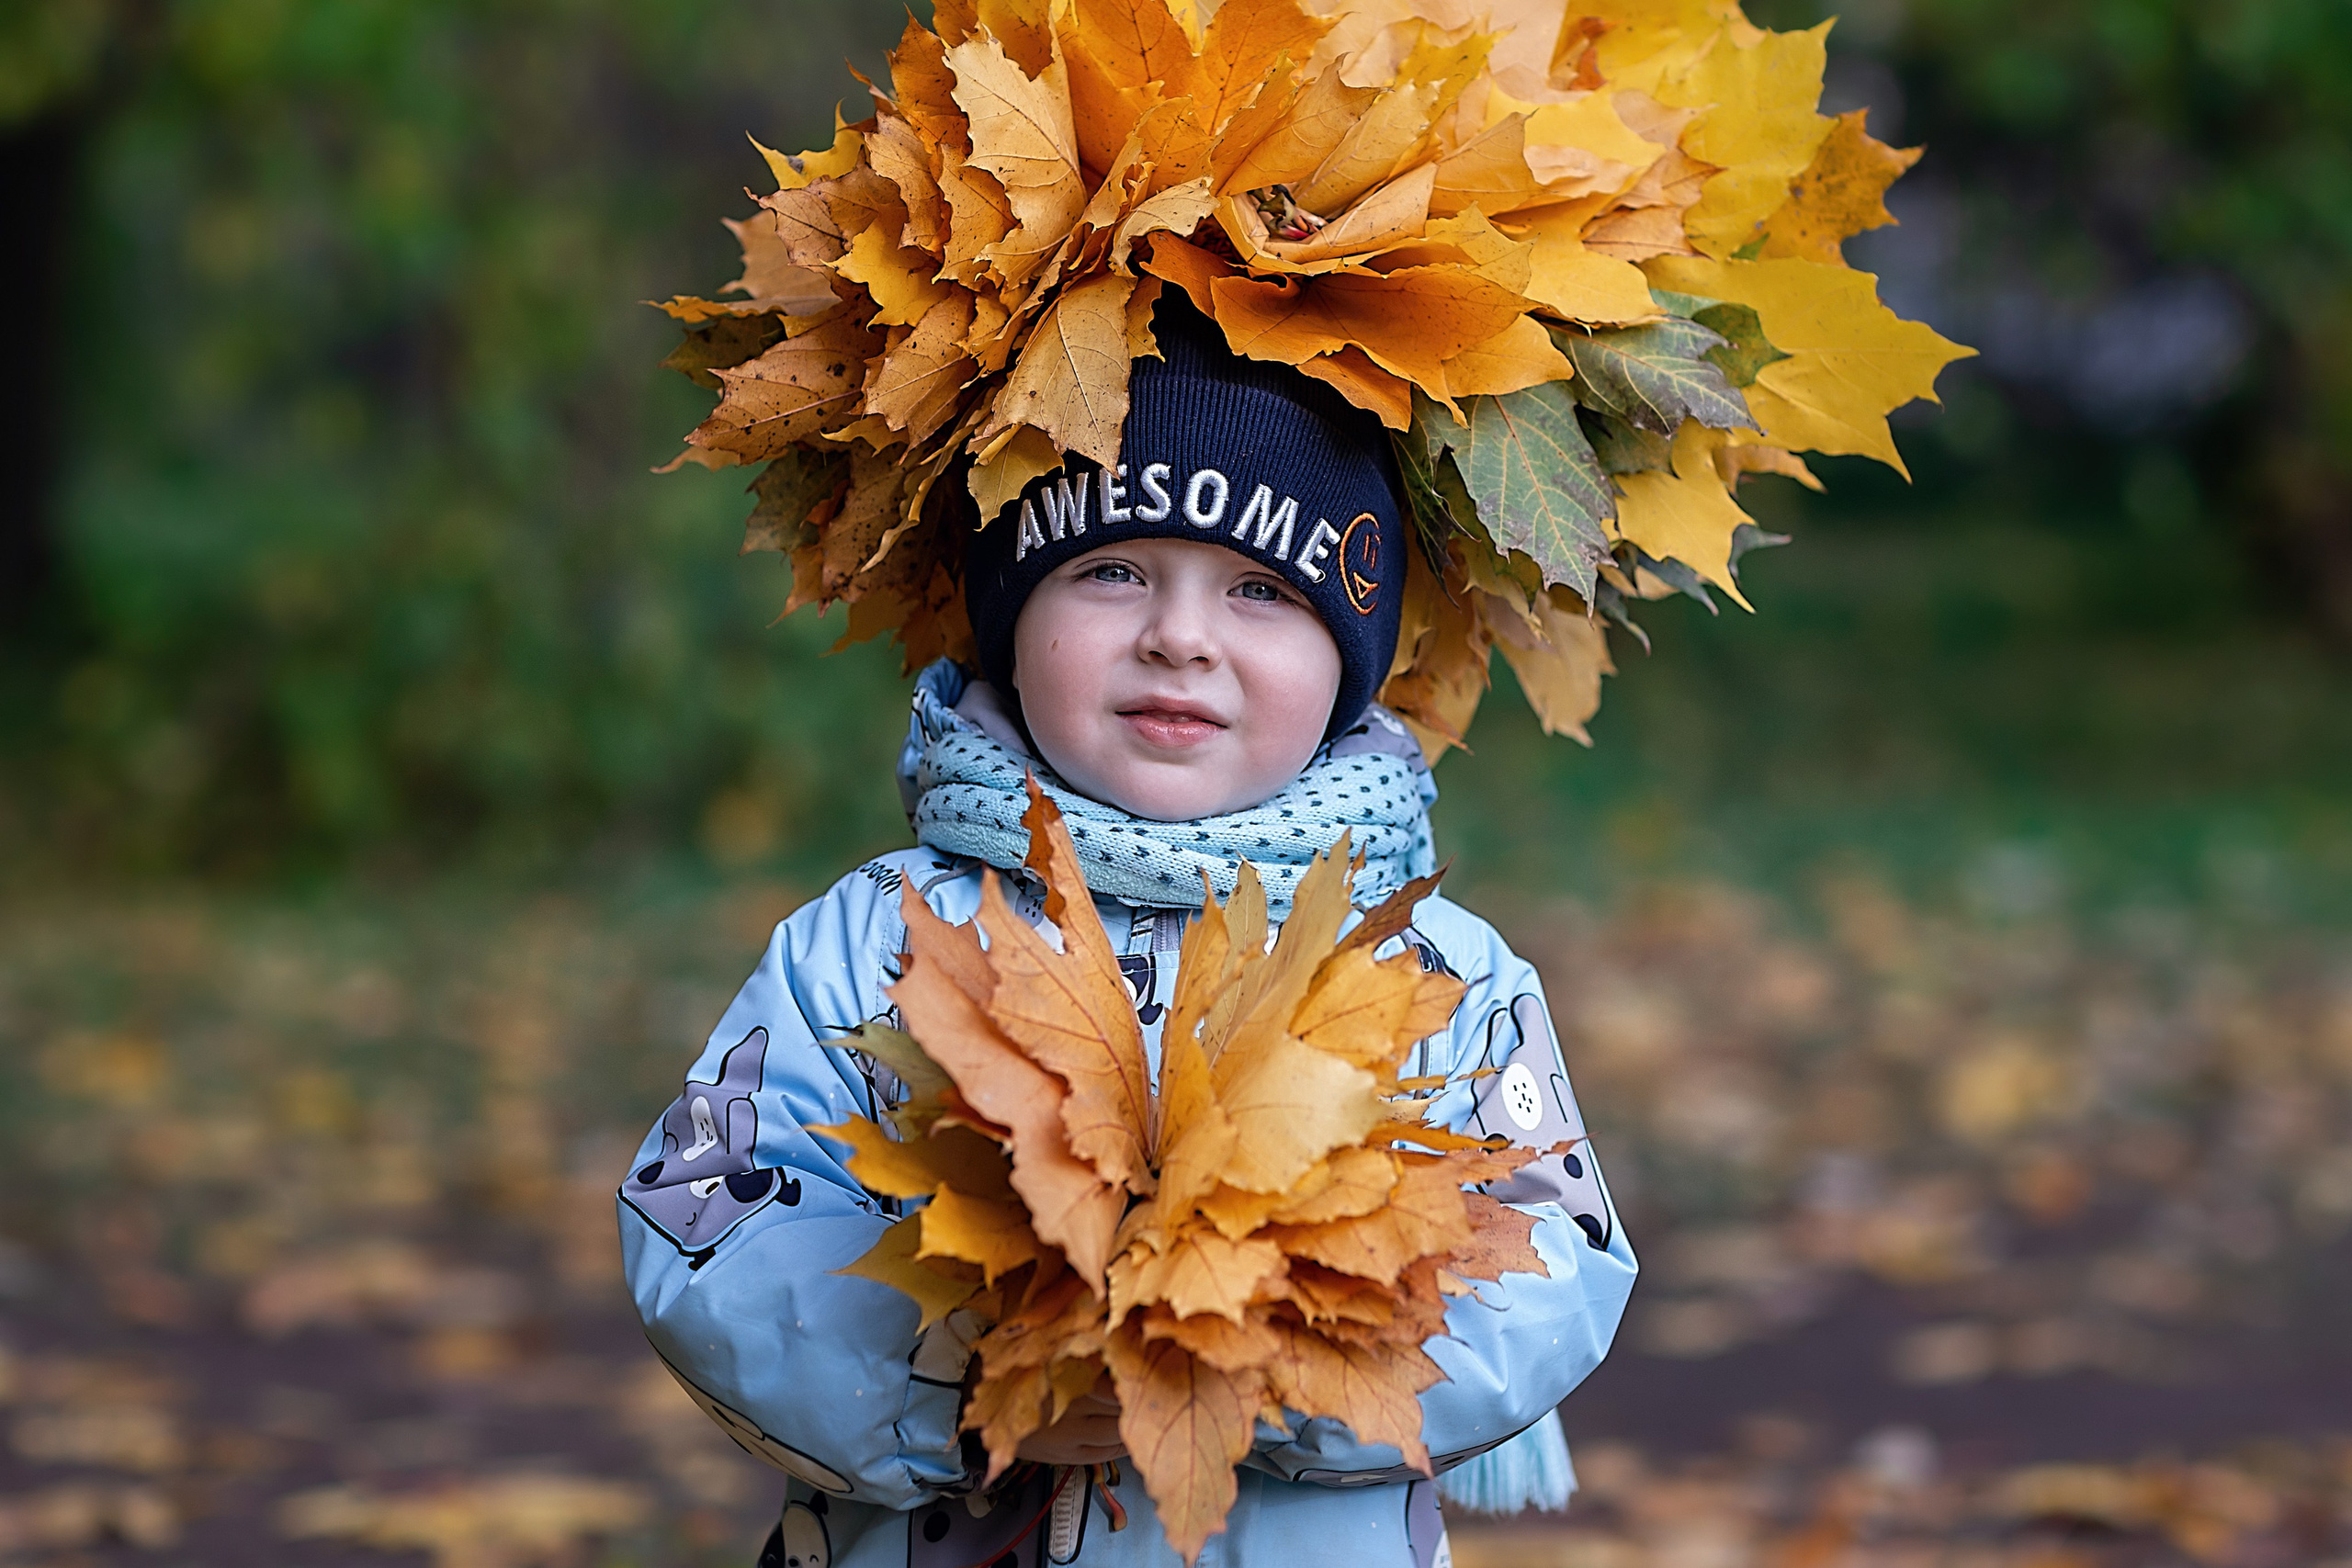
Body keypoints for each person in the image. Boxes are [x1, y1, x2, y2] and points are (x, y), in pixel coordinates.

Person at [619, 298, 1637, 1568]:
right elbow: (699, 1220)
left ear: (1352, 655)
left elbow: (1557, 1257)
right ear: (1012, 606)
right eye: (1111, 569)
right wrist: (963, 1375)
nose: (1180, 637)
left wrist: (1267, 1368)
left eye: (1262, 589)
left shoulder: (1431, 975)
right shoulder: (876, 944)